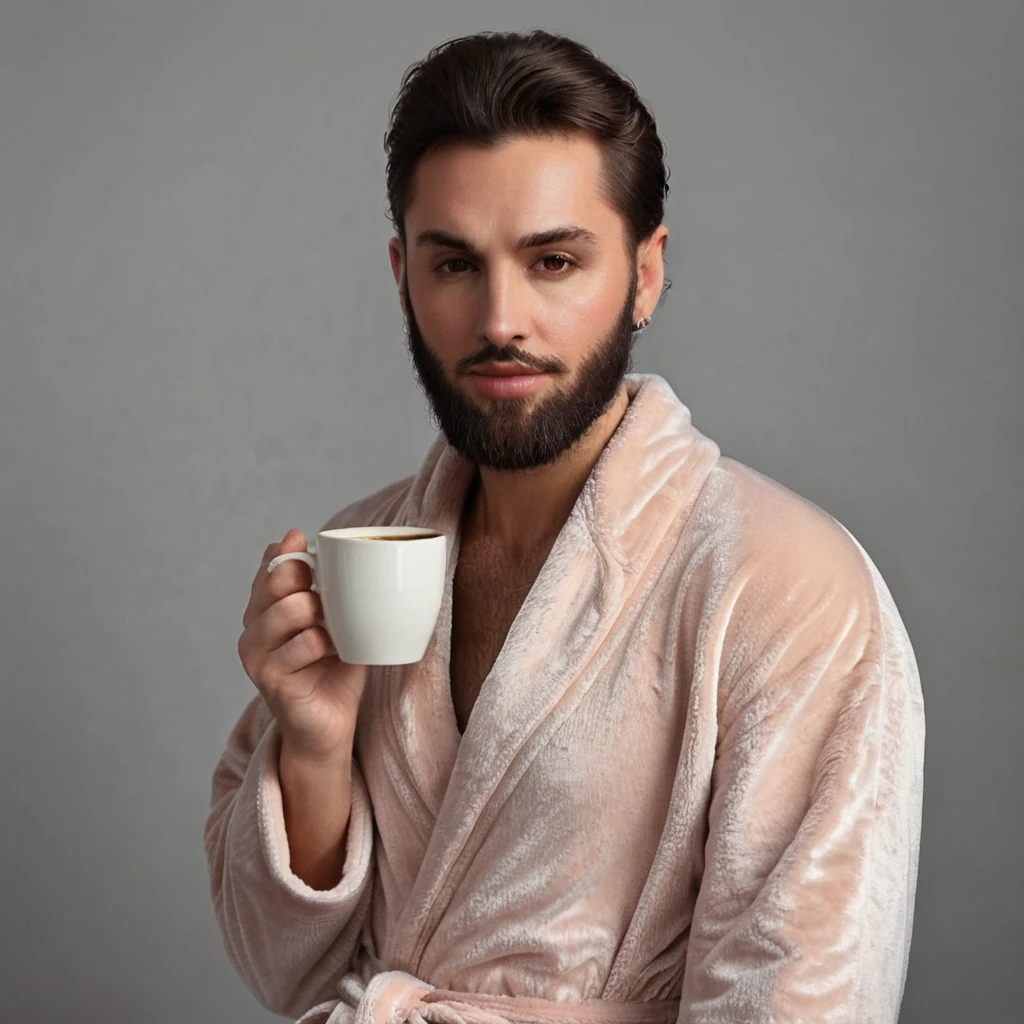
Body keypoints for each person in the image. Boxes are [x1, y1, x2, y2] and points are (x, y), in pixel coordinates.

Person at [204, 29, 925, 1024]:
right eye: (454, 264)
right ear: (401, 274)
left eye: (551, 261)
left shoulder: (785, 585)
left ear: (645, 272)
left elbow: (798, 1000)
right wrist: (315, 747)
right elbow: (286, 975)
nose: (500, 318)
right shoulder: (361, 547)